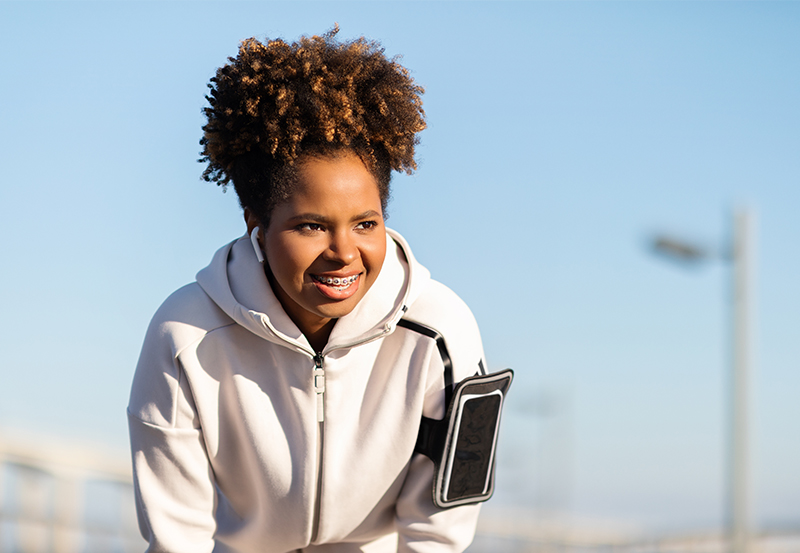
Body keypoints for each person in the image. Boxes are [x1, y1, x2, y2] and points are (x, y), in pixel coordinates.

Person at [128, 27, 488, 553]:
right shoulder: (185, 334)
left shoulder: (441, 332)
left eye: (366, 224)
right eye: (311, 226)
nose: (344, 251)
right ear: (256, 222)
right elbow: (176, 535)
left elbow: (439, 532)